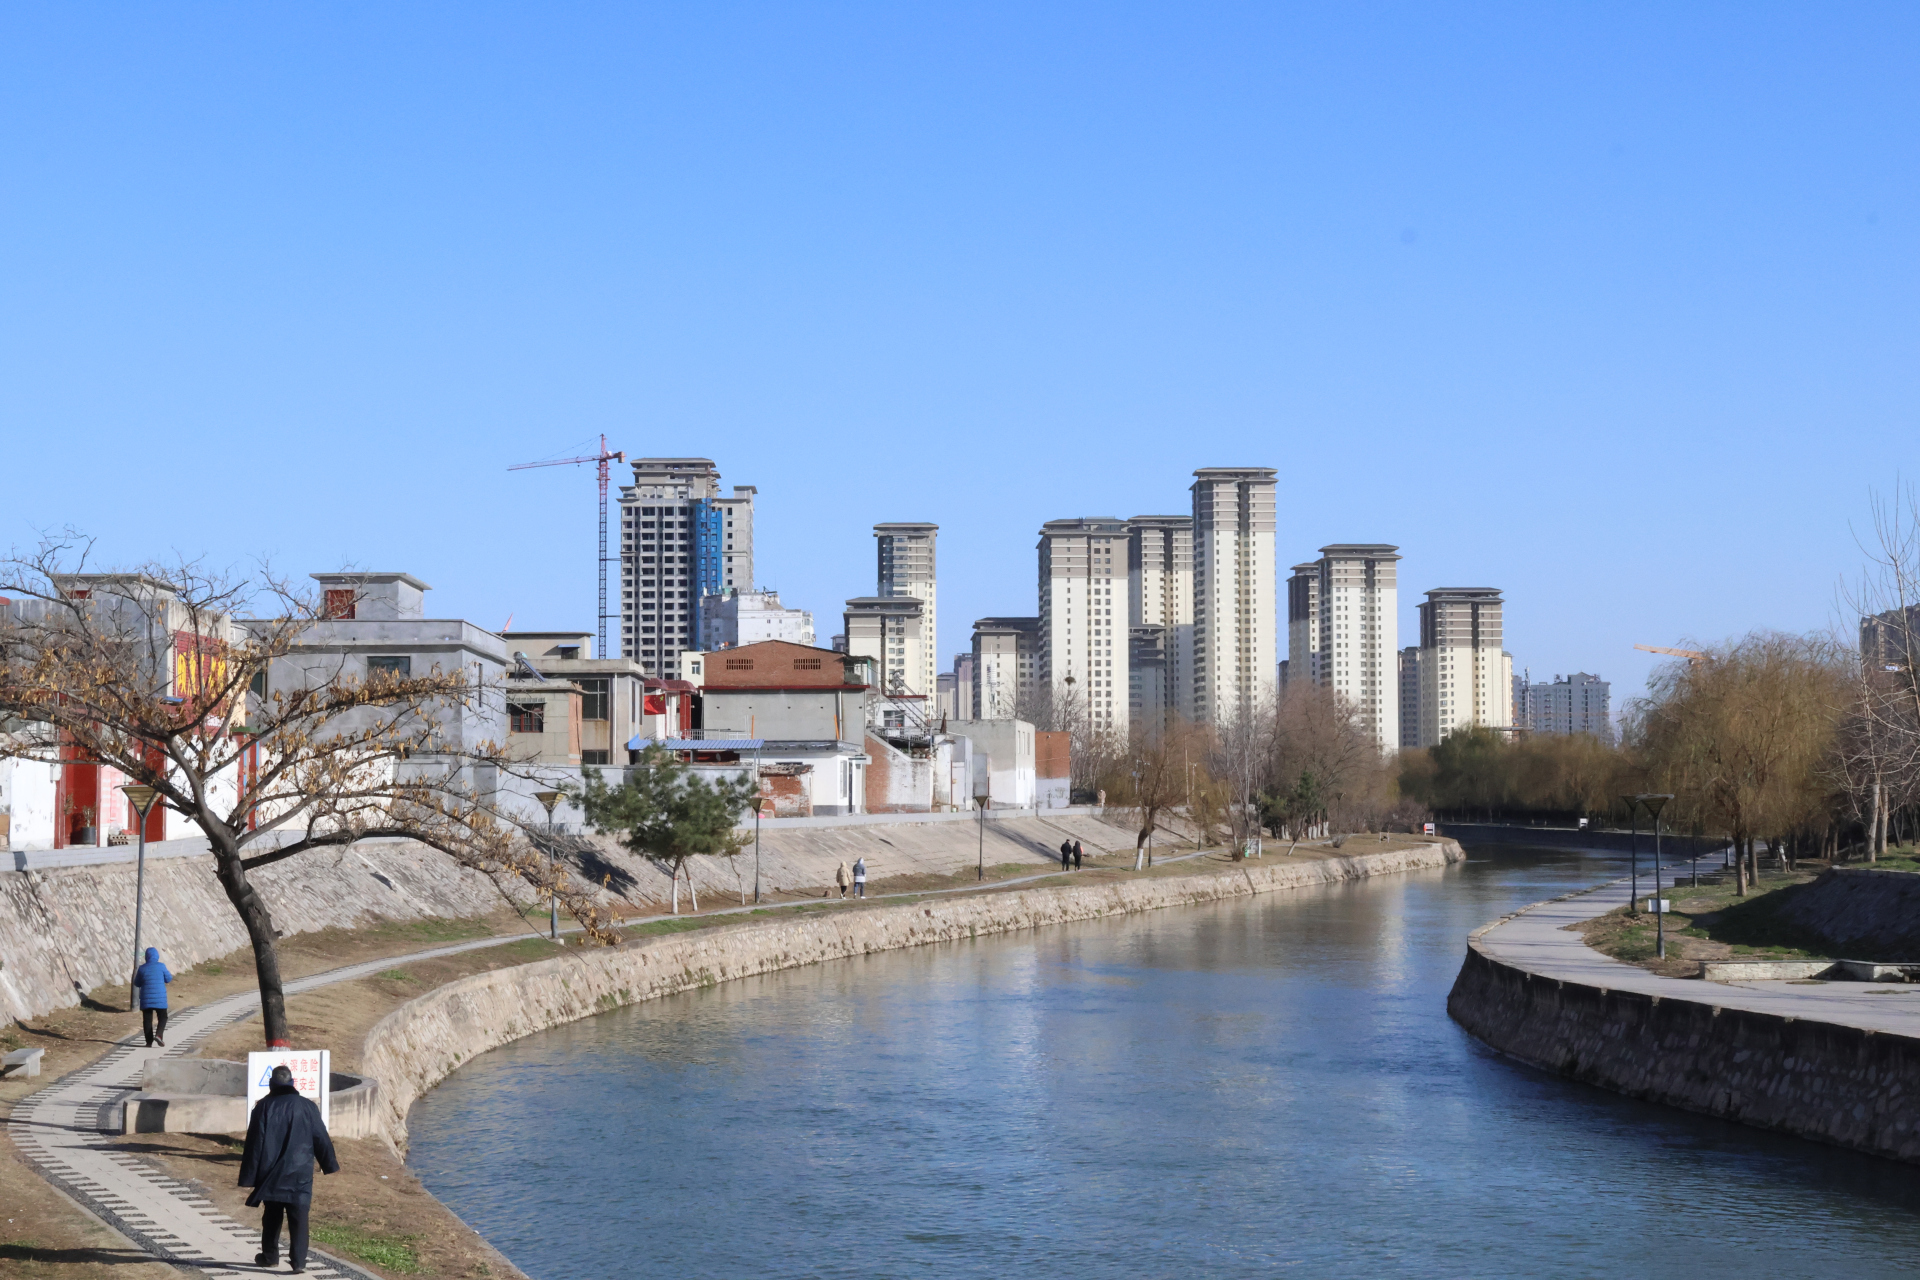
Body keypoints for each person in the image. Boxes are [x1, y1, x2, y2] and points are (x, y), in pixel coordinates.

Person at [239, 1064, 339, 1274]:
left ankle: (270, 1257)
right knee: (299, 1215)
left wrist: (249, 1177)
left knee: (272, 1216)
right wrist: (328, 1163)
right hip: (301, 1171)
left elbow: (254, 1144)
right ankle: (299, 1261)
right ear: (292, 1083)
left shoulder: (263, 1107)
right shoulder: (307, 1106)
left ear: (271, 1084)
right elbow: (320, 1137)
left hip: (271, 1173)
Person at [133, 947, 172, 1047]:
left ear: (146, 957)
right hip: (160, 998)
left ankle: (149, 1042)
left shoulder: (142, 968)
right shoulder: (161, 966)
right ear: (157, 956)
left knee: (147, 1019)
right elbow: (168, 978)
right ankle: (159, 1035)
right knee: (163, 1017)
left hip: (146, 998)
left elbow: (136, 983)